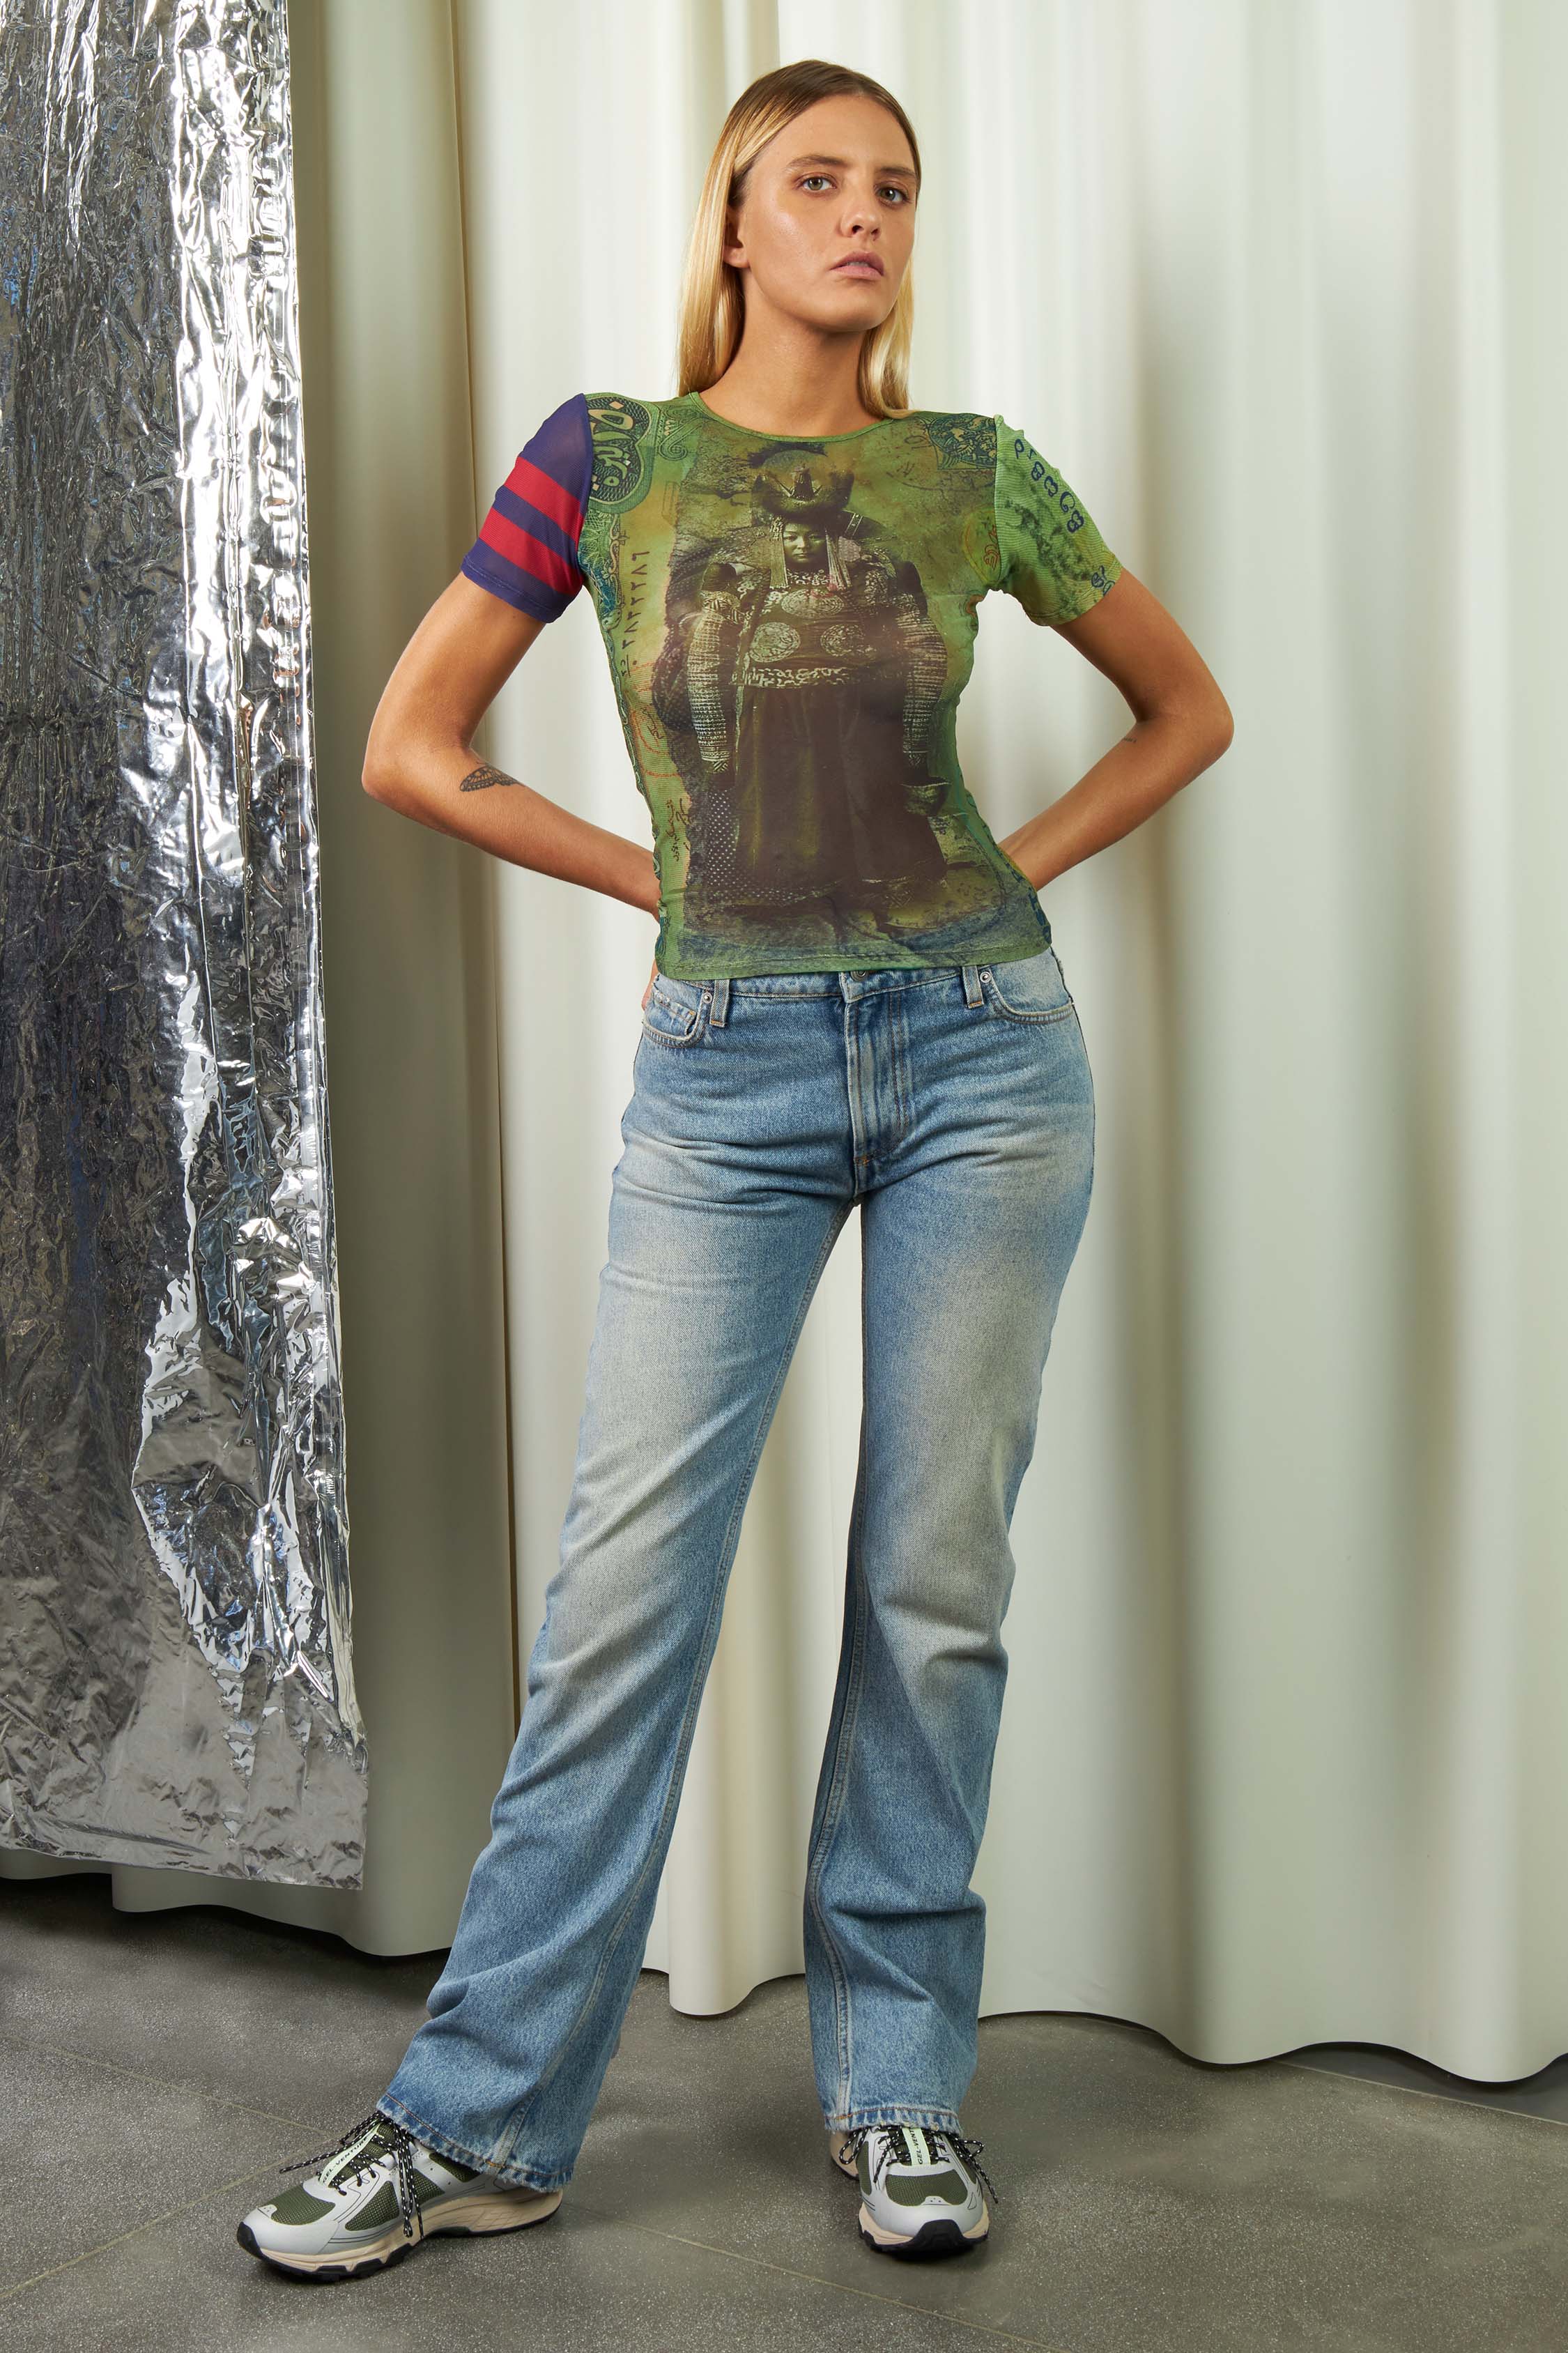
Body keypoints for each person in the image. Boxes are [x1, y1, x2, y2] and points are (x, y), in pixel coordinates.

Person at [236, 57, 1232, 2283]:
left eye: (894, 188)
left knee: (931, 1586)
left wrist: (1008, 878)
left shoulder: (976, 474)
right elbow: (412, 750)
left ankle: (899, 2094)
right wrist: (661, 885)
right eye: (818, 181)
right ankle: (475, 2121)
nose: (864, 216)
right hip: (726, 1077)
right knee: (625, 1602)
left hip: (986, 1061)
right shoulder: (603, 461)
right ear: (733, 223)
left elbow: (1187, 710)